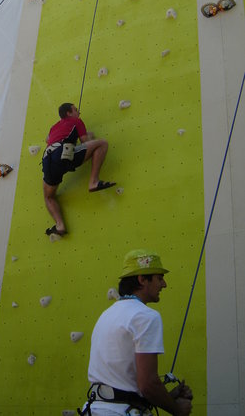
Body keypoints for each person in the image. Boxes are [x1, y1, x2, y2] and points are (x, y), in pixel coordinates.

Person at [80, 249, 193, 416]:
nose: (164, 284)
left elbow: (124, 383)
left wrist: (167, 397)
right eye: (159, 278)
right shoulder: (146, 316)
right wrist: (177, 410)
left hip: (94, 409)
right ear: (142, 280)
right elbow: (147, 384)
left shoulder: (107, 314)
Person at [42, 103, 115, 237]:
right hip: (63, 153)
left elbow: (47, 139)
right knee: (102, 144)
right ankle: (93, 181)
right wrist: (89, 135)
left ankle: (60, 225)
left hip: (47, 159)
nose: (78, 112)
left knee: (48, 197)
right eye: (76, 110)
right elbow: (85, 141)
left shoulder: (54, 127)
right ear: (69, 113)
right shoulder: (76, 121)